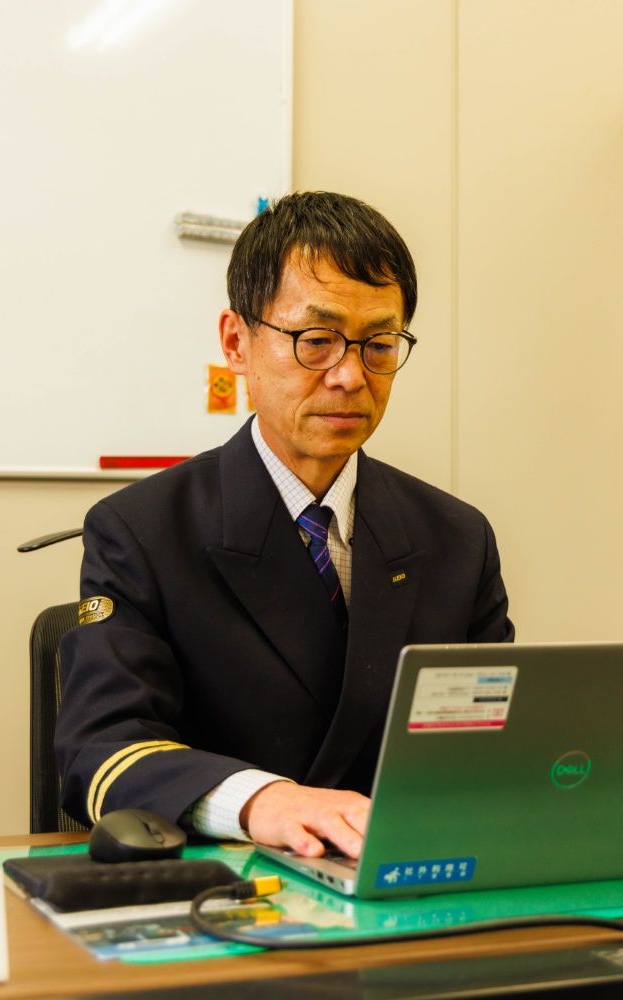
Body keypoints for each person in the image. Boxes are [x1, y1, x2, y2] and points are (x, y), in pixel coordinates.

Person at [55, 191, 514, 859]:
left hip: (409, 881)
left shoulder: (456, 538)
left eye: (379, 344)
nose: (350, 376)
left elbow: (487, 745)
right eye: (315, 341)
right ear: (237, 343)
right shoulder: (142, 531)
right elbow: (99, 748)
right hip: (229, 889)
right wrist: (261, 800)